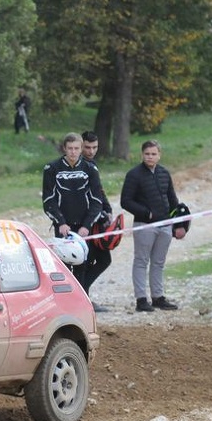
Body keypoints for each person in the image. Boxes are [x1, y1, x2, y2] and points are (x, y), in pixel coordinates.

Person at [120, 140, 185, 312]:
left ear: (159, 155)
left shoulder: (164, 173)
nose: (150, 157)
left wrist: (178, 223)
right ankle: (141, 300)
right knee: (141, 261)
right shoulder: (133, 175)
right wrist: (146, 213)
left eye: (153, 154)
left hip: (165, 226)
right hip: (144, 226)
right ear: (142, 155)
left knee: (158, 262)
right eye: (147, 154)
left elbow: (173, 200)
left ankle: (158, 297)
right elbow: (125, 201)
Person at [42, 132, 105, 293]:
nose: (73, 152)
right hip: (63, 227)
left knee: (83, 265)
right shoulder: (52, 168)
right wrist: (60, 222)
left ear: (81, 148)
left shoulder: (90, 169)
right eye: (70, 148)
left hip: (83, 227)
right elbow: (49, 200)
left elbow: (97, 200)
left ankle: (81, 300)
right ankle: (63, 301)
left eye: (76, 148)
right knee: (62, 266)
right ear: (64, 148)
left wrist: (87, 225)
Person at [80, 131, 113, 312]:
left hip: (96, 219)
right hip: (84, 222)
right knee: (87, 261)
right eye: (88, 147)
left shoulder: (92, 164)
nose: (91, 151)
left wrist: (107, 209)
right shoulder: (79, 166)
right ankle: (83, 298)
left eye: (95, 147)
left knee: (103, 259)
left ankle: (83, 294)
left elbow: (98, 191)